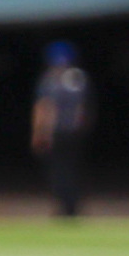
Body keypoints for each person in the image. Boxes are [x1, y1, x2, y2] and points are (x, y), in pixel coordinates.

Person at [32, 40, 94, 218]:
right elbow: (82, 107)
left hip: (57, 132)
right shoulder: (78, 77)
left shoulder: (50, 79)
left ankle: (65, 207)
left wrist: (40, 132)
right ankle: (73, 205)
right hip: (74, 132)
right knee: (72, 168)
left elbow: (45, 107)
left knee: (59, 170)